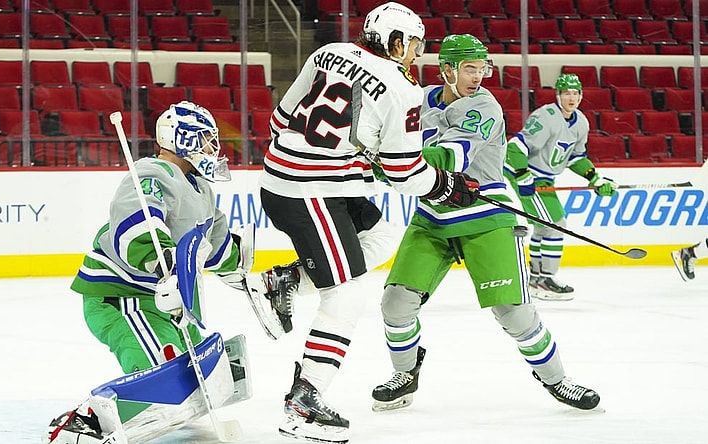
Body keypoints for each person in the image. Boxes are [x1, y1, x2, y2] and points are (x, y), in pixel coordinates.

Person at [258, 3, 478, 442]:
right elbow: (404, 173)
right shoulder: (402, 88)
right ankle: (304, 401)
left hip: (290, 175)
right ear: (396, 42)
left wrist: (347, 150)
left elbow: (279, 119)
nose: (416, 54)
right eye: (414, 45)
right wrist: (447, 185)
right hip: (311, 190)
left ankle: (282, 282)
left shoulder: (327, 52)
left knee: (383, 234)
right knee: (348, 291)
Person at [370, 35, 601, 415]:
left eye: (482, 68)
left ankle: (559, 380)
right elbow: (390, 145)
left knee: (514, 314)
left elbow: (452, 156)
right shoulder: (418, 101)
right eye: (469, 68)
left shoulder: (485, 106)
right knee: (395, 304)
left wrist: (392, 157)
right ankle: (404, 374)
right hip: (432, 217)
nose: (478, 76)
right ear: (447, 70)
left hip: (485, 219)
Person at [44, 101, 279, 444]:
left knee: (196, 371)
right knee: (162, 373)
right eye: (206, 140)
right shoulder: (152, 174)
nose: (214, 148)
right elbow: (135, 220)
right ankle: (82, 422)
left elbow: (212, 245)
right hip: (123, 298)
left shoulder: (202, 189)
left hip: (166, 303)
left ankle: (172, 395)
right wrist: (159, 259)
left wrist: (248, 276)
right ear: (182, 140)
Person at [505, 73, 617, 301]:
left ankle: (536, 279)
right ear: (558, 95)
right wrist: (522, 173)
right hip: (523, 175)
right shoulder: (546, 116)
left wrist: (595, 178)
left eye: (576, 93)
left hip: (543, 179)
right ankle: (546, 278)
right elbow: (515, 146)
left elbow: (576, 158)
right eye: (566, 93)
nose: (571, 97)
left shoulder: (581, 122)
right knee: (557, 225)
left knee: (543, 227)